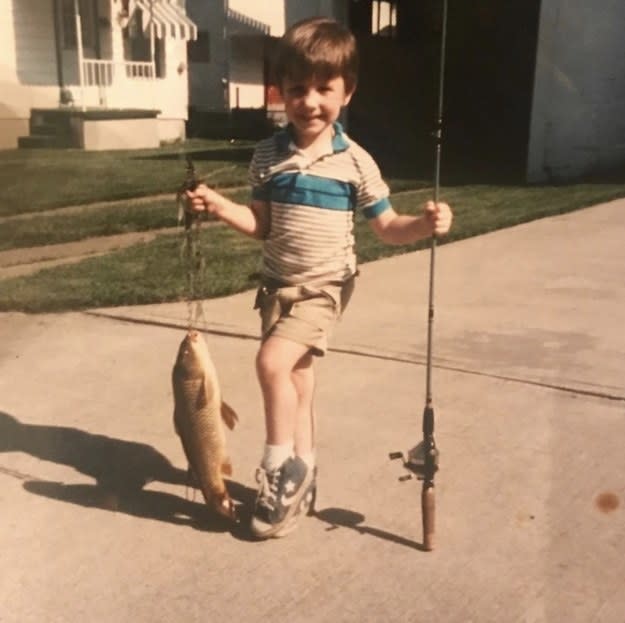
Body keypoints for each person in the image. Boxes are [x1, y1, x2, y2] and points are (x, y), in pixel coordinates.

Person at [185, 16, 453, 539]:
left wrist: (423, 224)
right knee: (298, 384)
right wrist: (219, 206)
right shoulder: (267, 155)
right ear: (280, 91)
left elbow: (387, 227)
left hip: (325, 287)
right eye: (296, 89)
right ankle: (306, 471)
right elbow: (261, 225)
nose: (309, 101)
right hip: (277, 285)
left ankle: (279, 469)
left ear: (346, 91)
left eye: (323, 89)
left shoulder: (355, 162)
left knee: (270, 364)